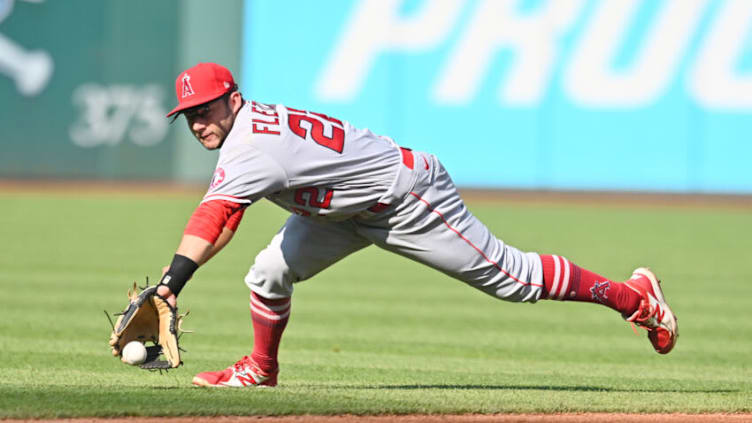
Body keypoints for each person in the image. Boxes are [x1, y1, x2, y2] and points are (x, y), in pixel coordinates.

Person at [156, 62, 678, 388]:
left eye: (205, 109)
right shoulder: (248, 132)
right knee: (268, 272)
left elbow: (216, 213)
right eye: (189, 115)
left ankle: (636, 299)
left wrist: (171, 285)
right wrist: (171, 280)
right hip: (341, 213)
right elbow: (227, 221)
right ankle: (261, 371)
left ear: (233, 99)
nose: (199, 122)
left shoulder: (250, 144)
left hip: (404, 198)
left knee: (514, 281)